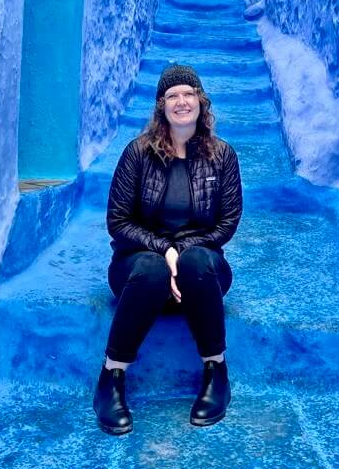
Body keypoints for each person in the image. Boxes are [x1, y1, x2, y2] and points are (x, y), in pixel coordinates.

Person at [92, 64, 243, 435]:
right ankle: (111, 378)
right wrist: (165, 250)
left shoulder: (223, 156)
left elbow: (226, 225)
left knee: (196, 262)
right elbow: (119, 221)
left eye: (188, 94)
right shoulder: (137, 153)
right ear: (161, 106)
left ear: (200, 102)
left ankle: (215, 372)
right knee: (153, 269)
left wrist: (183, 249)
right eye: (172, 95)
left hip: (200, 268)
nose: (181, 101)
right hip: (137, 266)